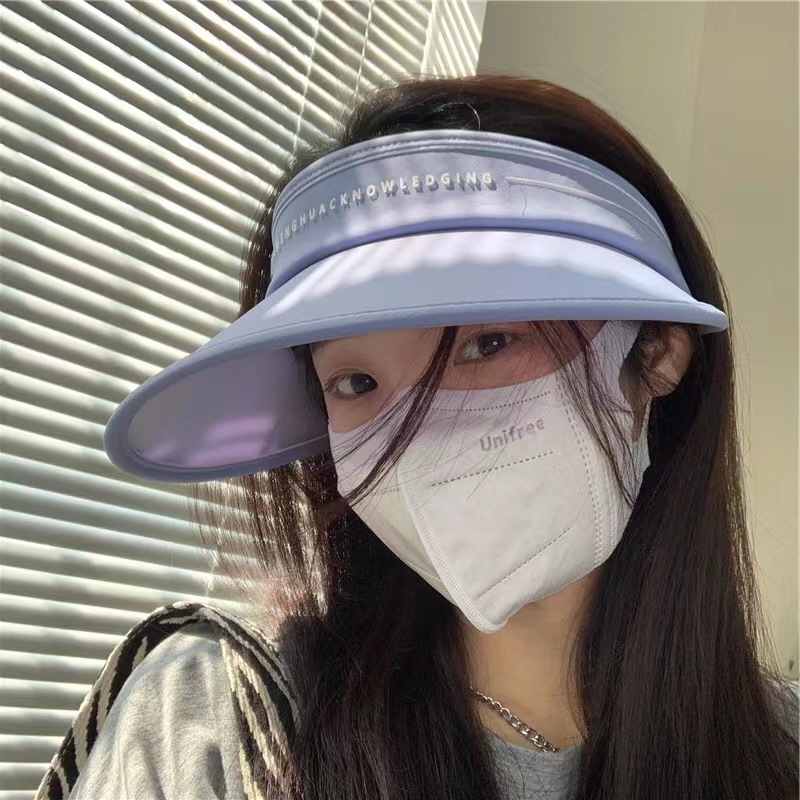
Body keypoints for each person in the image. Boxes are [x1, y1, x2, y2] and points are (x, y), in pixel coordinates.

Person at [38, 74, 798, 800]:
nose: (418, 436)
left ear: (656, 350)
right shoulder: (218, 724)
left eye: (487, 343)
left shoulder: (780, 748)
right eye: (356, 383)